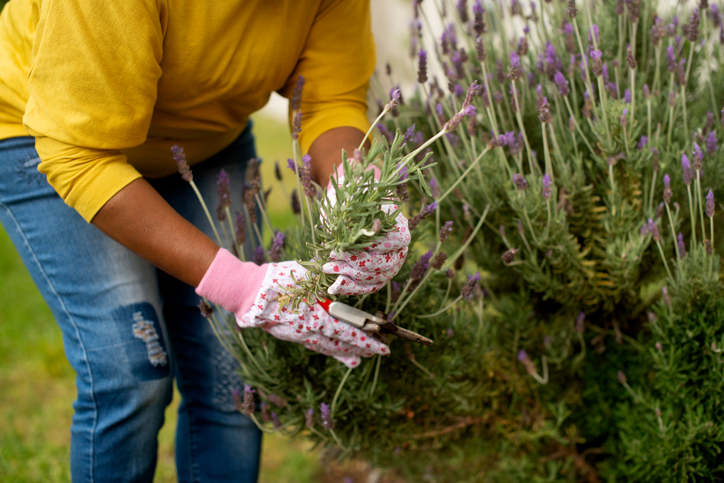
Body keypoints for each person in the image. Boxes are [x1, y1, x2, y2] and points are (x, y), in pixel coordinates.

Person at [0, 0, 409, 481]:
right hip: (53, 137)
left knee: (234, 376)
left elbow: (328, 101)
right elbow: (81, 157)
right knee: (132, 374)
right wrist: (242, 286)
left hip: (203, 146)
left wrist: (359, 193)